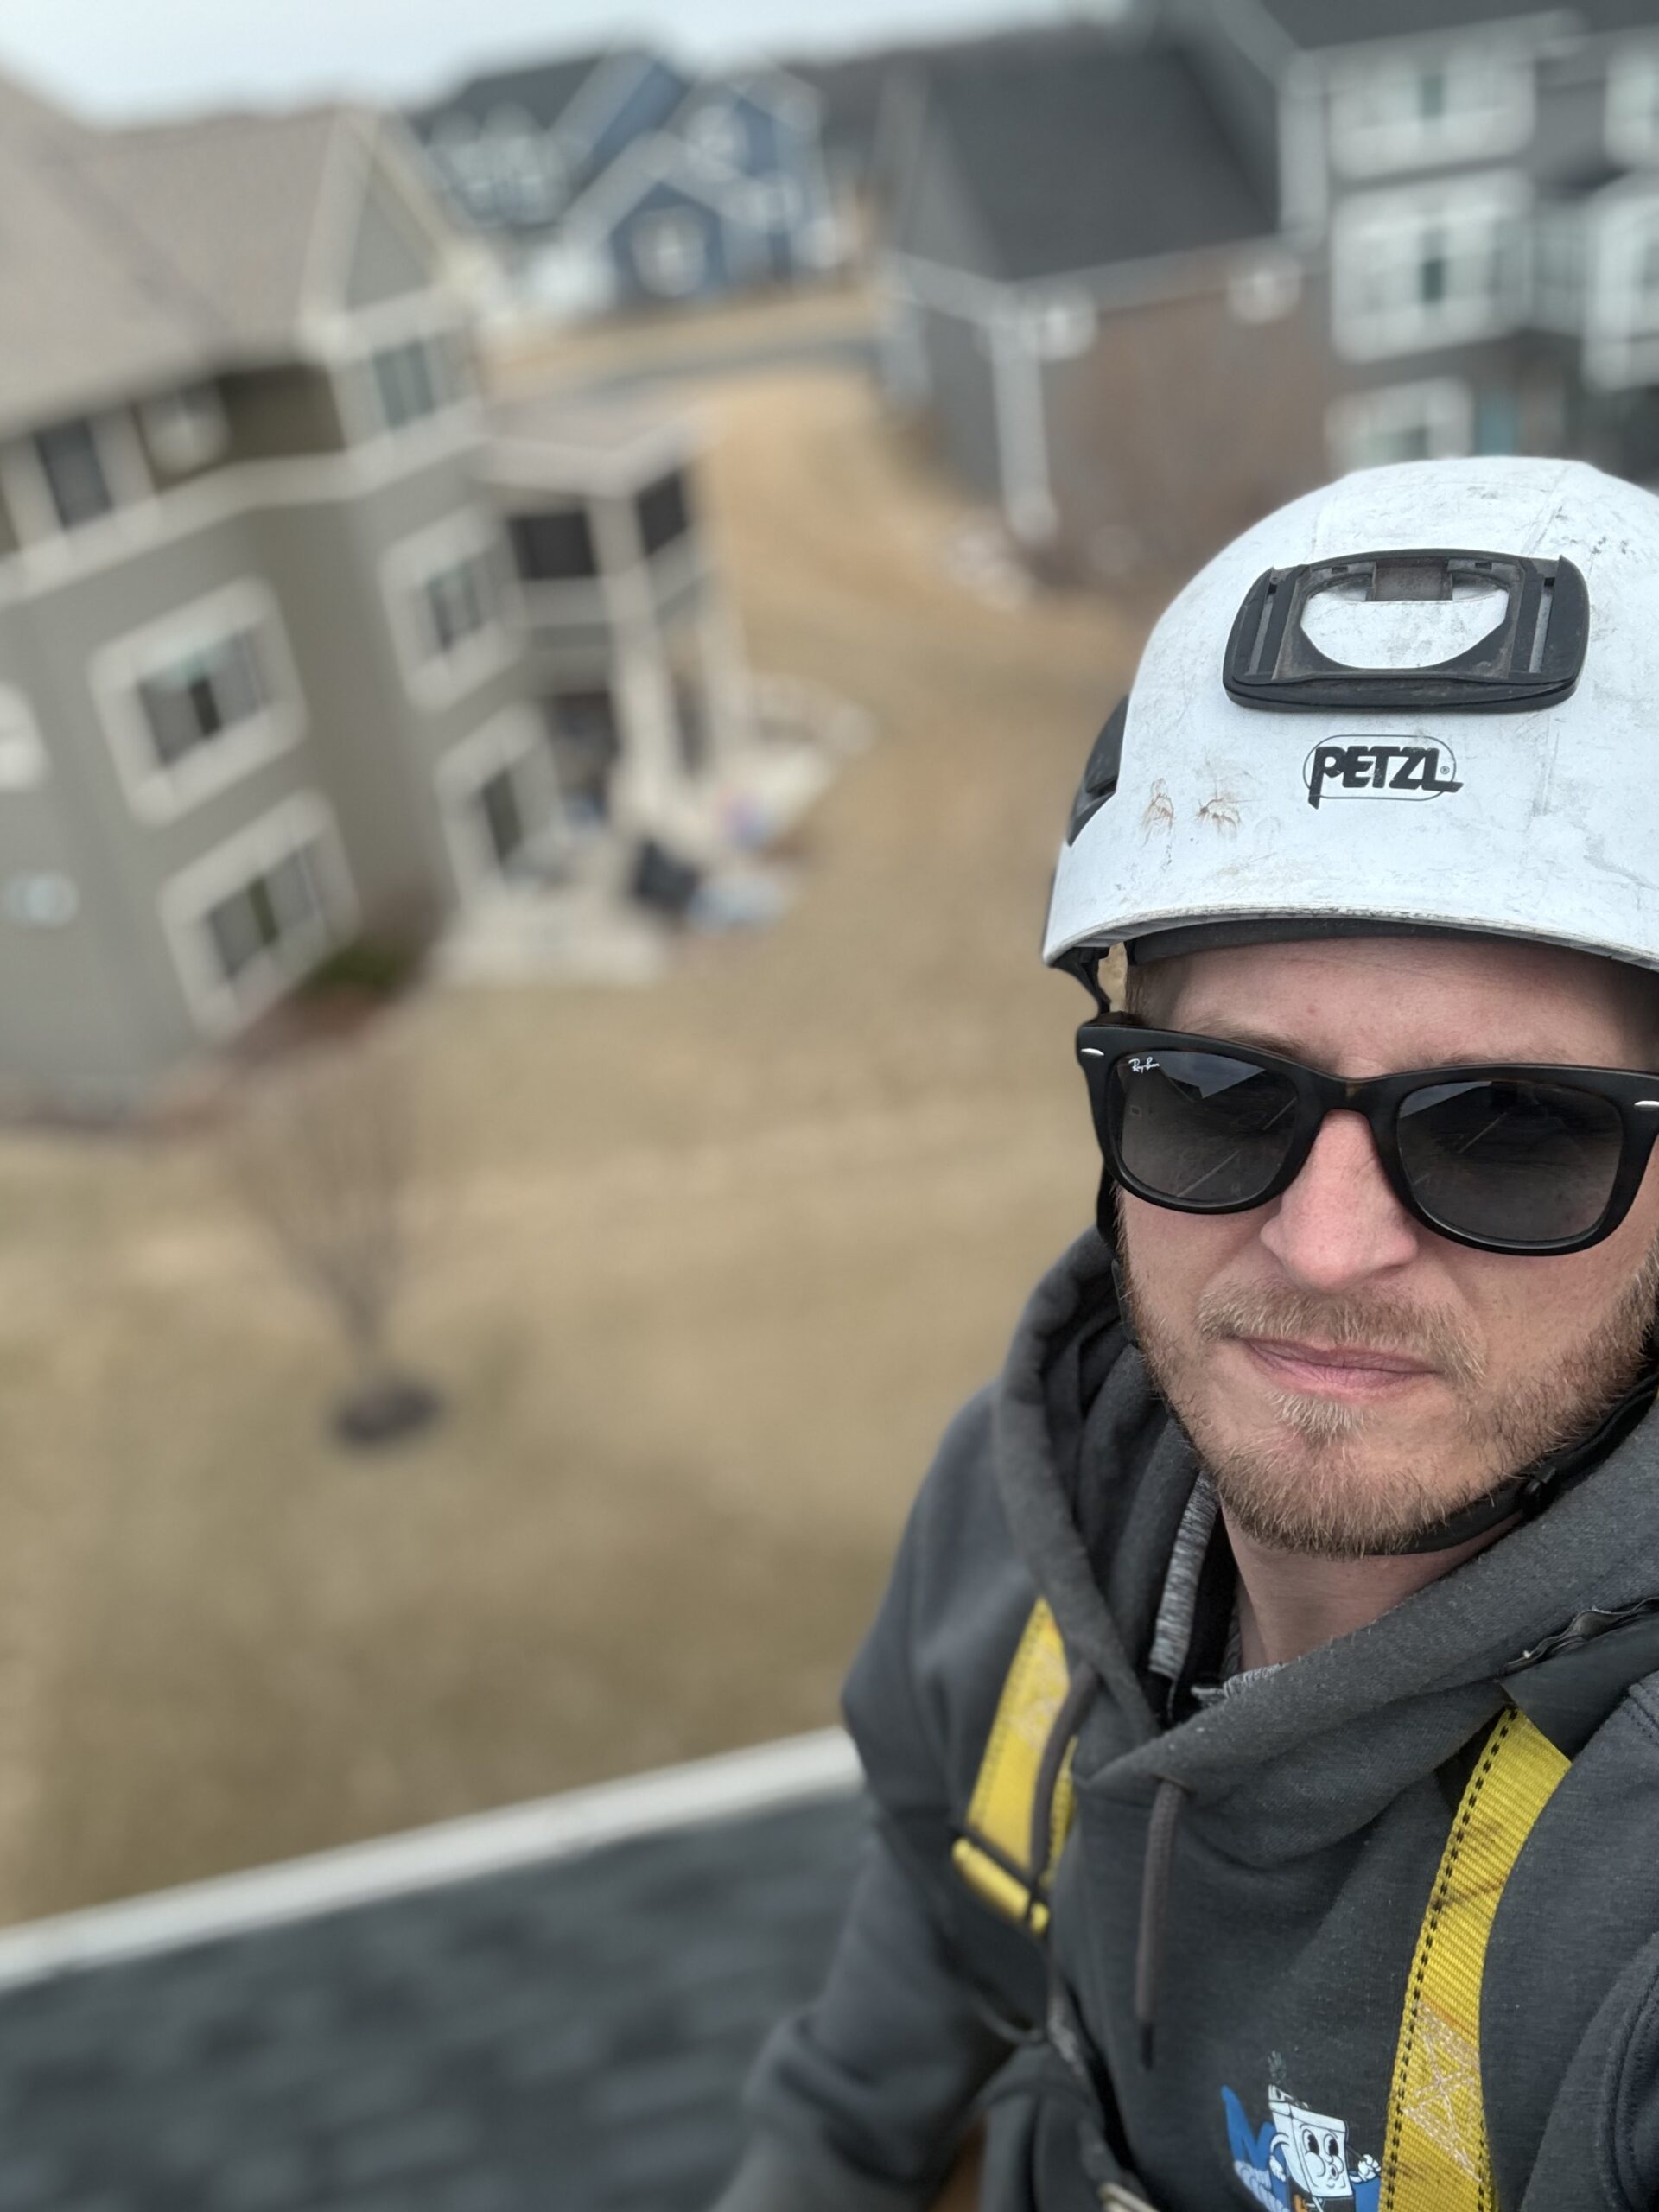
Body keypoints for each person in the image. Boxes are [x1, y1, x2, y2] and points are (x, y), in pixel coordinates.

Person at [710, 457, 1659, 2212]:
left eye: (1512, 1126)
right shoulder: (1027, 1535)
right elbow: (864, 2077)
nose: (1326, 1237)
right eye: (1221, 1094)